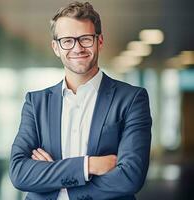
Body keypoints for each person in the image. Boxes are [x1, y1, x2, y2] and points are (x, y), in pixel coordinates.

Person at [9, 1, 152, 200]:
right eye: (67, 40)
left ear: (99, 41)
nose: (77, 48)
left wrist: (54, 178)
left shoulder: (131, 99)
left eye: (85, 39)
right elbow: (19, 173)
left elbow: (130, 177)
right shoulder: (36, 103)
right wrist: (89, 165)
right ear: (56, 47)